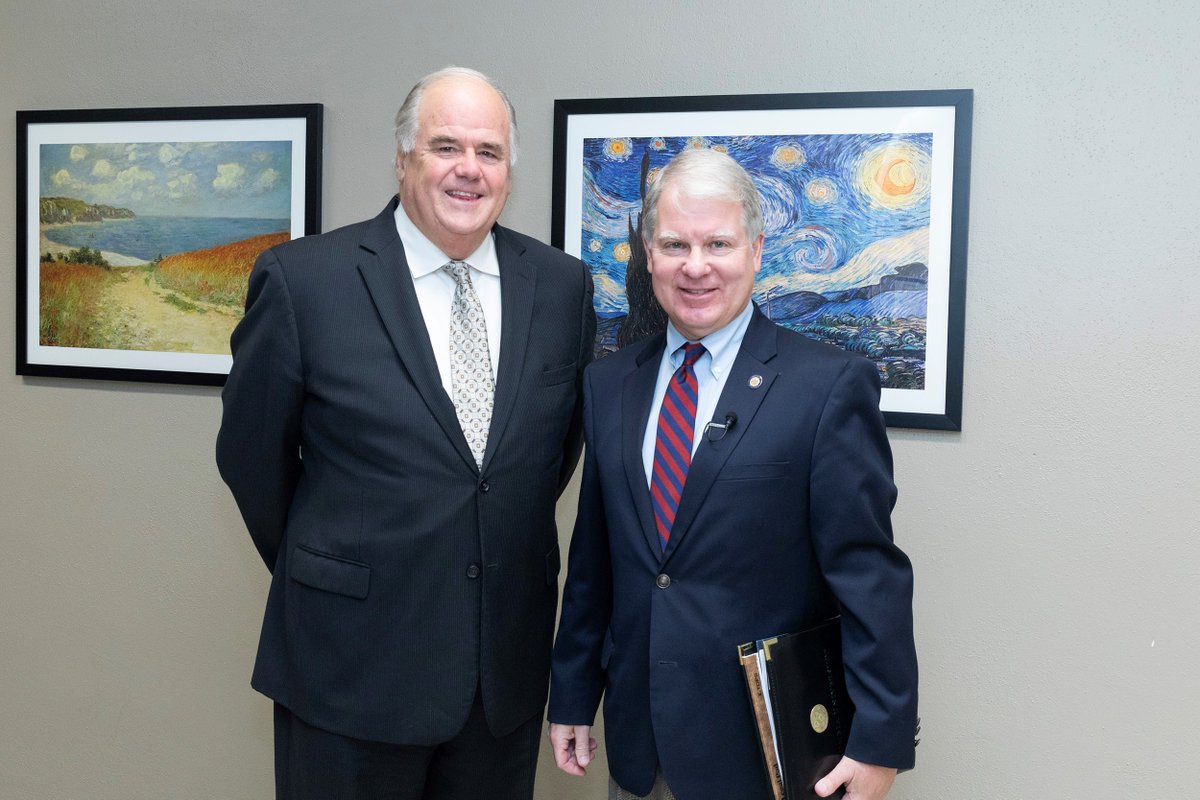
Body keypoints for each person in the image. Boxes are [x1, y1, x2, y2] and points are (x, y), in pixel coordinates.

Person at [216, 66, 595, 800]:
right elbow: (252, 460)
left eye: (488, 151)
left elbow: (544, 461)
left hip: (500, 681)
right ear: (402, 160)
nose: (468, 169)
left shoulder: (562, 287)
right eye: (444, 146)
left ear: (509, 172)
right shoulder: (305, 281)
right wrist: (335, 566)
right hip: (347, 668)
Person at [547, 148, 917, 800]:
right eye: (674, 244)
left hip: (769, 754)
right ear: (649, 255)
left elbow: (870, 580)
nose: (696, 266)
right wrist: (573, 693)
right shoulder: (608, 386)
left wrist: (879, 741)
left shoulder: (826, 387)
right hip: (640, 752)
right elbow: (595, 566)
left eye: (718, 243)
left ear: (755, 249)